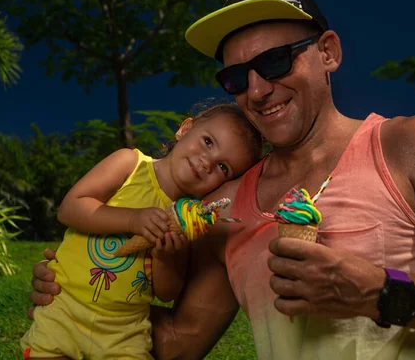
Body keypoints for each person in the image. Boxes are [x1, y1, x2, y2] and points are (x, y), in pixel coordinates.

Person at [30, 0, 415, 359]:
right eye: (236, 77)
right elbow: (177, 342)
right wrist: (78, 300)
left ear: (328, 52)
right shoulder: (223, 207)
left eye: (277, 60)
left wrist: (380, 292)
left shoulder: (407, 147)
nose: (257, 90)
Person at [21, 103, 263, 359]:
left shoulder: (187, 222)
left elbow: (167, 292)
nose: (207, 162)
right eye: (208, 142)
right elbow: (70, 208)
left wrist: (165, 257)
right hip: (65, 307)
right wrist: (132, 219)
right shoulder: (130, 164)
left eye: (223, 167)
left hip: (124, 330)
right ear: (185, 129)